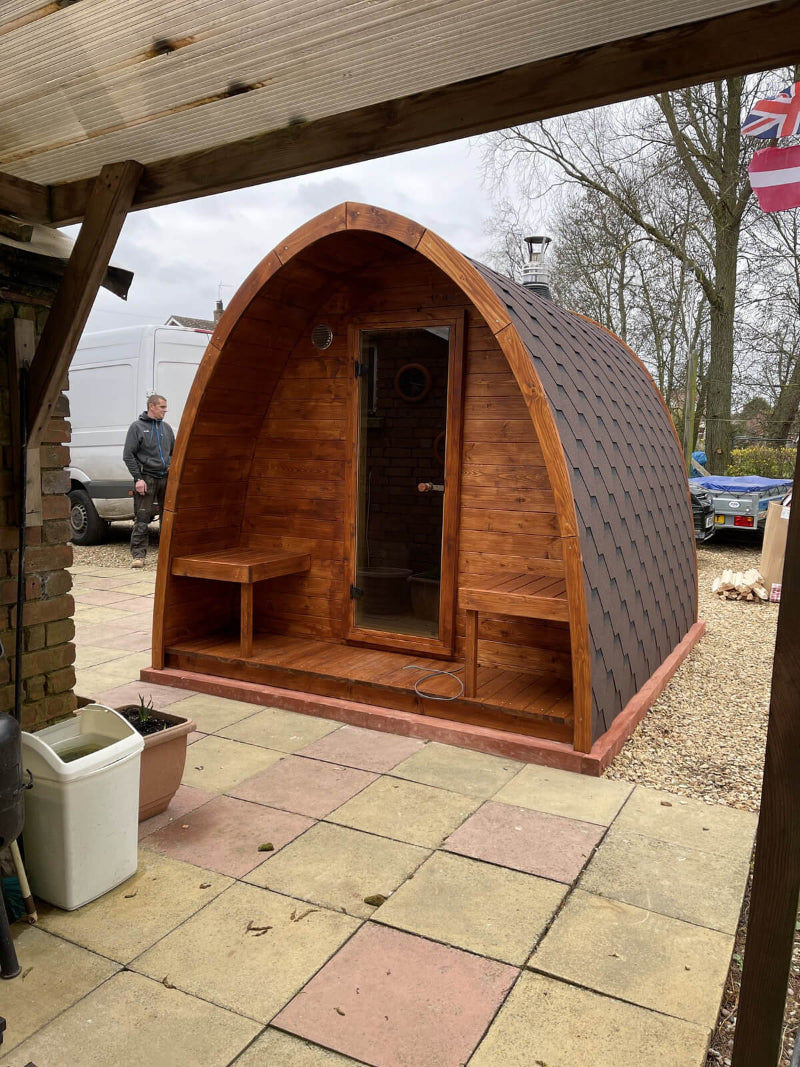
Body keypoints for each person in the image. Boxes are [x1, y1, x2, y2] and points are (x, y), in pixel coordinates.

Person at [122, 394, 174, 568]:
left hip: (165, 479)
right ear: (152, 406)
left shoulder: (166, 428)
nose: (165, 410)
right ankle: (138, 556)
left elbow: (173, 453)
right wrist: (138, 478)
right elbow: (128, 455)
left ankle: (168, 554)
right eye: (162, 407)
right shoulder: (137, 427)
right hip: (147, 479)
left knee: (168, 518)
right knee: (142, 517)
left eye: (165, 407)